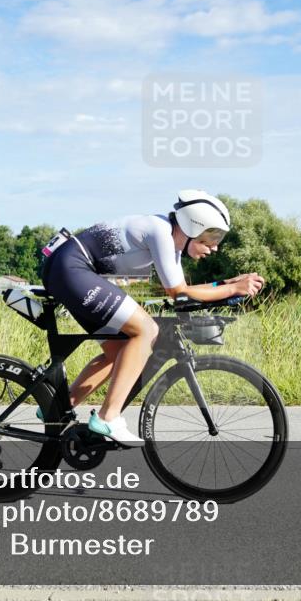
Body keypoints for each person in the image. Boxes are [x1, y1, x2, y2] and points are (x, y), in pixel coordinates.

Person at [39, 189, 265, 444]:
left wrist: (228, 283)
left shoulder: (171, 240)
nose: (215, 247)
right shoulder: (160, 233)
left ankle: (57, 407)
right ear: (192, 226)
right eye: (212, 237)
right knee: (147, 330)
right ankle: (107, 418)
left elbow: (182, 293)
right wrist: (233, 288)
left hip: (69, 271)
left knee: (120, 352)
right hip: (72, 268)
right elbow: (178, 292)